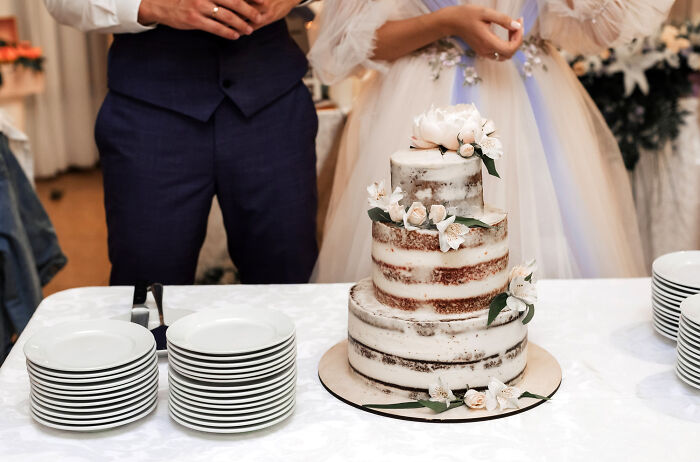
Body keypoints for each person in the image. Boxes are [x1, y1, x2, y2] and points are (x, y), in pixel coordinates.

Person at [310, 0, 672, 282]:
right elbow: (350, 44)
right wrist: (447, 22)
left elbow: (607, 27)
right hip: (428, 105)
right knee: (422, 274)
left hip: (537, 109)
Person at [43, 0, 319, 285]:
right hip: (149, 113)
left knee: (288, 278)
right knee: (148, 285)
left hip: (272, 106)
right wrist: (151, 7)